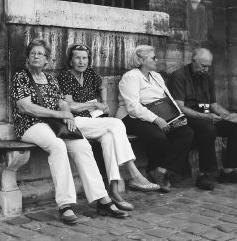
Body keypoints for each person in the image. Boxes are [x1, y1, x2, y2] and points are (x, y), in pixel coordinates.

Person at [11, 38, 127, 224]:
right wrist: (59, 115)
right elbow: (26, 108)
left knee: (82, 146)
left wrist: (66, 114)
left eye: (40, 54)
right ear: (27, 58)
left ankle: (102, 198)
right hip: (30, 124)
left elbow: (62, 101)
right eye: (33, 53)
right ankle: (65, 204)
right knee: (58, 146)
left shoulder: (49, 78)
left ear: (47, 60)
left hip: (56, 124)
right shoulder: (21, 76)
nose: (36, 56)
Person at [57, 44, 160, 211]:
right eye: (77, 57)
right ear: (70, 60)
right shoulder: (65, 77)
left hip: (95, 122)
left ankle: (114, 192)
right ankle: (134, 173)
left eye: (85, 58)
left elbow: (102, 85)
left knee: (110, 139)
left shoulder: (90, 74)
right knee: (117, 123)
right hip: (76, 122)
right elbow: (70, 105)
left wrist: (104, 102)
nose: (81, 61)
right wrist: (93, 104)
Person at [167, 48, 237, 190]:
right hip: (188, 117)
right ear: (193, 61)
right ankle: (203, 174)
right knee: (207, 129)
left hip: (206, 115)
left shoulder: (207, 77)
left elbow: (214, 105)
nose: (206, 69)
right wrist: (205, 116)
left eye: (208, 66)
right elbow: (180, 107)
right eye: (203, 66)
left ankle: (228, 172)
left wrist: (228, 116)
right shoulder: (179, 76)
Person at [118, 45, 194, 192]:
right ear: (141, 59)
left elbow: (169, 98)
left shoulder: (156, 76)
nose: (156, 60)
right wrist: (156, 119)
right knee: (158, 136)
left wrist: (179, 115)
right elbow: (133, 106)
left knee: (186, 133)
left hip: (160, 113)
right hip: (131, 117)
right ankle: (152, 168)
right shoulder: (131, 77)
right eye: (153, 58)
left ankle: (162, 169)